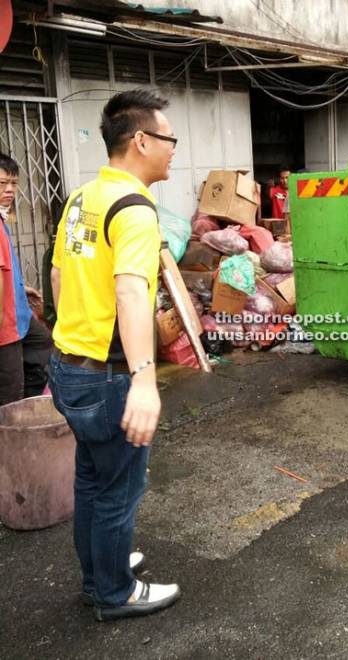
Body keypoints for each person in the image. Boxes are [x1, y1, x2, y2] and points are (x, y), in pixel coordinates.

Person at [48, 89, 181, 620]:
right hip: (107, 379)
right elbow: (131, 292)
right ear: (141, 140)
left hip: (69, 368)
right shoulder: (135, 209)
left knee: (92, 479)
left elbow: (59, 275)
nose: (174, 148)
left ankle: (99, 570)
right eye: (169, 139)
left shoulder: (83, 198)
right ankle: (113, 592)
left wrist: (72, 344)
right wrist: (144, 382)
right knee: (119, 489)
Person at [0, 153, 52, 406]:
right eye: (2, 184)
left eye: (13, 182)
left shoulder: (3, 219)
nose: (9, 190)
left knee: (43, 350)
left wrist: (21, 288)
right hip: (4, 326)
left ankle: (28, 413)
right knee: (9, 394)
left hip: (19, 315)